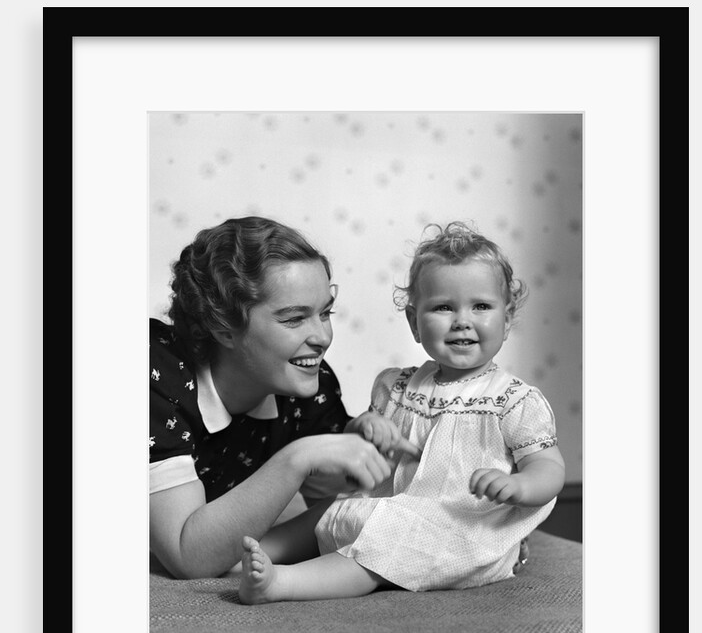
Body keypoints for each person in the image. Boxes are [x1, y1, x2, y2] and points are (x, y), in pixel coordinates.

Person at [238, 221, 566, 604]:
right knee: (339, 507)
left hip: (460, 530)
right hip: (394, 506)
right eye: (443, 307)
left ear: (507, 320)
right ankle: (254, 551)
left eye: (481, 306)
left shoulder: (512, 401)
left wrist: (520, 486)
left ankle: (284, 584)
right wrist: (366, 426)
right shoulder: (396, 387)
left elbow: (548, 467)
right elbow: (360, 448)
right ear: (414, 322)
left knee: (387, 543)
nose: (462, 320)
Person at [149, 216, 419, 580]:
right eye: (294, 319)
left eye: (325, 312)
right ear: (223, 326)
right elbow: (188, 556)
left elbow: (335, 502)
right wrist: (300, 456)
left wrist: (359, 449)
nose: (322, 336)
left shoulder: (308, 384)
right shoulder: (153, 373)